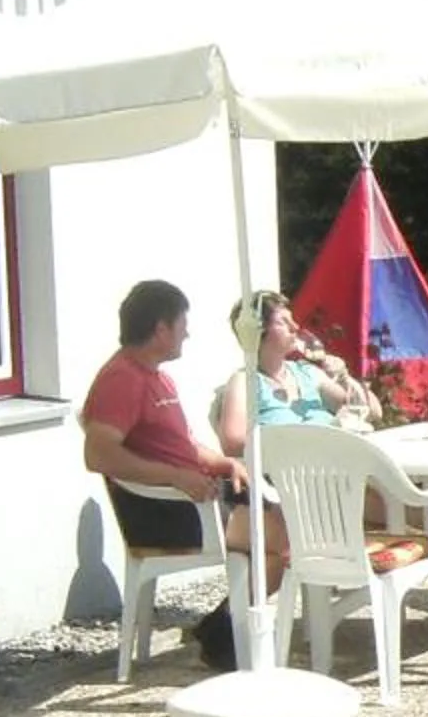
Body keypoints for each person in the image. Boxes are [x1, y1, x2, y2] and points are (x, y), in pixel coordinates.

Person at [81, 280, 285, 660]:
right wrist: (176, 476)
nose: (187, 334)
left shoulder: (157, 376)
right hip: (169, 510)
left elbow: (183, 445)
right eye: (181, 325)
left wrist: (224, 463)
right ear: (160, 328)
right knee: (285, 538)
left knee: (288, 531)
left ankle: (222, 631)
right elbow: (99, 454)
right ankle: (226, 638)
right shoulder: (121, 379)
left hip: (197, 495)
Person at [209, 289, 378, 458]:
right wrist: (306, 442)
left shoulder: (307, 373)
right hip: (285, 479)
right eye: (283, 322)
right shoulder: (245, 381)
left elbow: (372, 412)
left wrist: (344, 377)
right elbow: (232, 444)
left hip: (335, 470)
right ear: (257, 331)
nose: (295, 327)